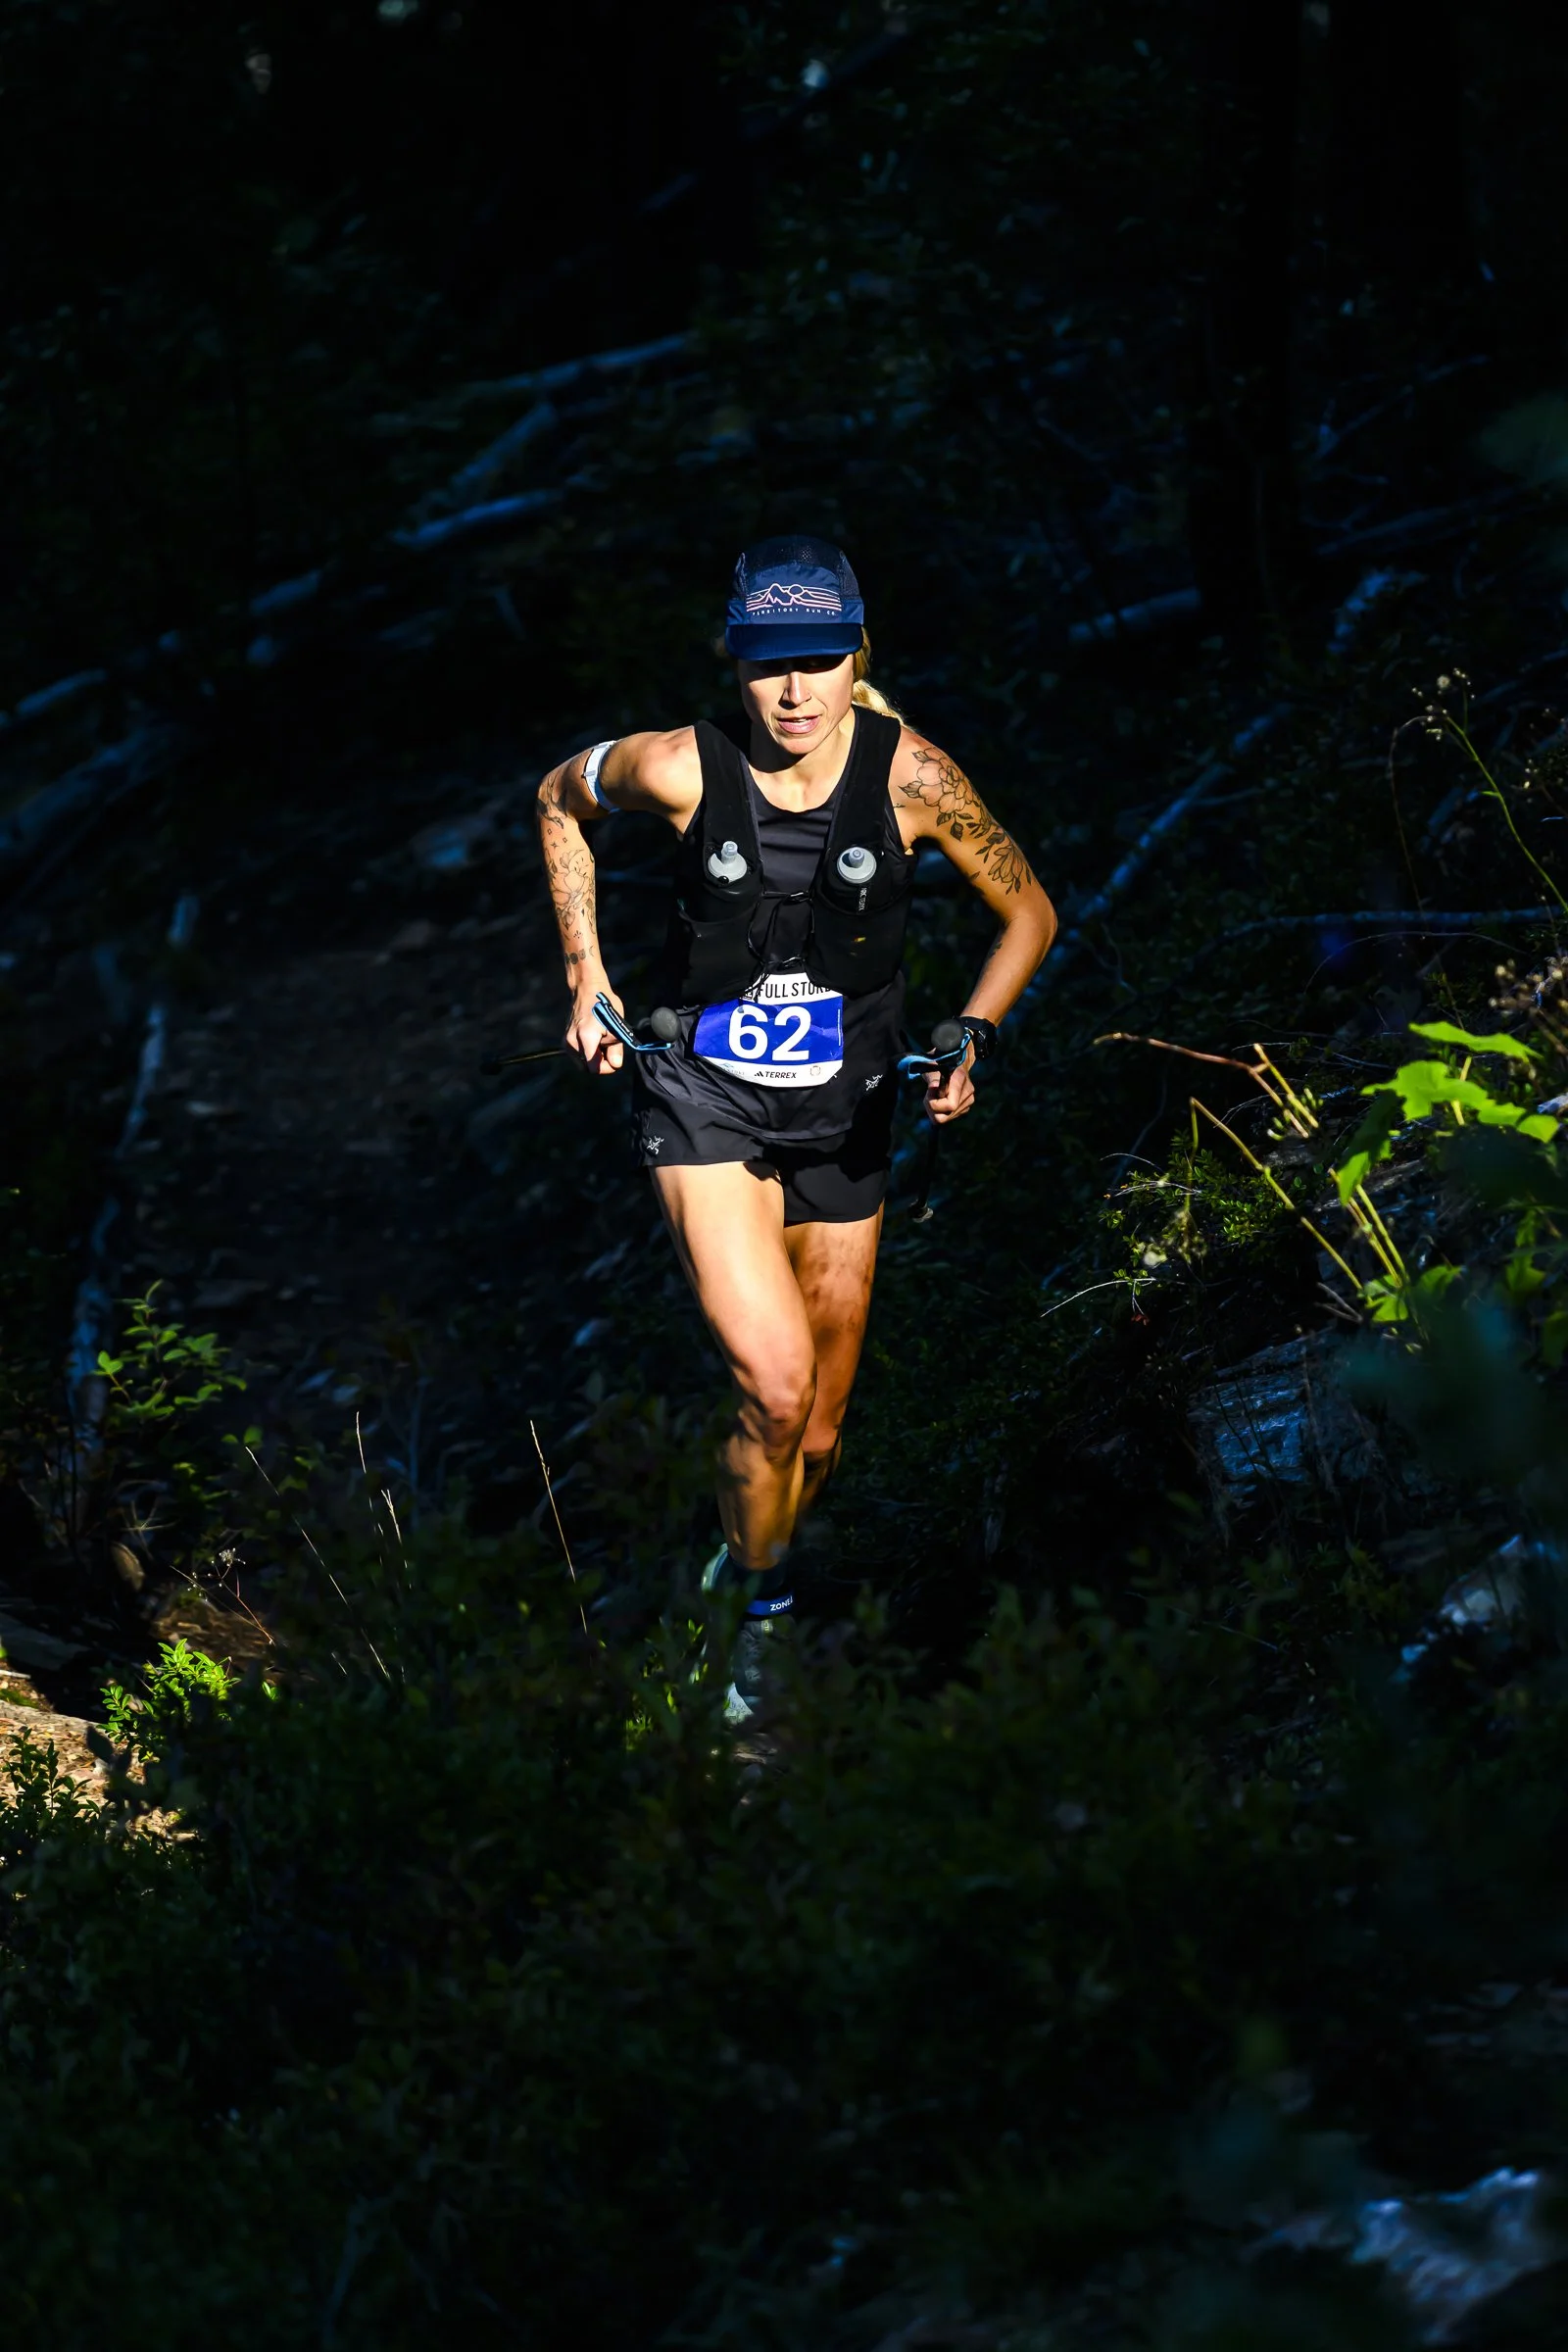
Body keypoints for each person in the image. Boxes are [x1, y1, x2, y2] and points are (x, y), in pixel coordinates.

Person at [536, 536, 1055, 1717]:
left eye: (819, 662)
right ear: (735, 661)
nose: (793, 692)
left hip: (847, 1118)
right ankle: (753, 1640)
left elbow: (1027, 911)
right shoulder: (677, 768)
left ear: (853, 654)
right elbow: (557, 799)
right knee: (771, 1389)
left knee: (816, 1431)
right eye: (770, 664)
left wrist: (972, 1030)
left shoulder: (914, 778)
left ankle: (737, 1563)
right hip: (701, 1100)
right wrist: (586, 972)